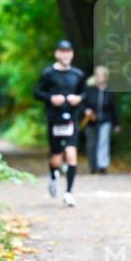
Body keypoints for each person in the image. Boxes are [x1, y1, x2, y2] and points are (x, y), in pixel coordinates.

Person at [34, 40, 86, 207]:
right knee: (56, 158)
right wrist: (51, 98)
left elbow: (84, 93)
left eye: (68, 51)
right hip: (54, 120)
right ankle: (53, 176)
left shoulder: (78, 74)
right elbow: (36, 92)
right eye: (62, 51)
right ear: (57, 54)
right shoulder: (48, 73)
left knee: (71, 154)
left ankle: (69, 193)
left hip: (71, 119)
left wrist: (78, 99)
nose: (65, 54)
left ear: (72, 54)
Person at [81, 65, 121, 174]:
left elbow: (114, 108)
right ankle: (93, 166)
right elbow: (82, 103)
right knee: (91, 143)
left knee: (103, 142)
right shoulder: (89, 89)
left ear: (106, 77)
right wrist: (86, 110)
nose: (100, 78)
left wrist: (117, 123)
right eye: (98, 75)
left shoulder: (110, 91)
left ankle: (102, 166)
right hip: (91, 121)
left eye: (102, 75)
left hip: (105, 120)